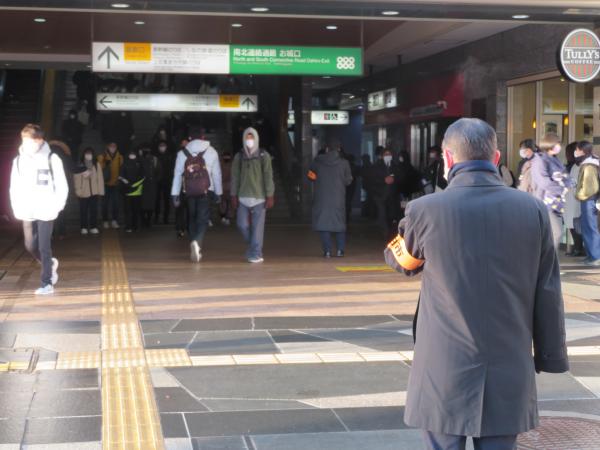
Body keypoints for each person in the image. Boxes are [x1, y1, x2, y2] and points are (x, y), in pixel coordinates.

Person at [385, 118, 568, 450]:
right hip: (509, 364)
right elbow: (548, 290)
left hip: (444, 368)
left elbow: (402, 262)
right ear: (496, 158)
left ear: (448, 159)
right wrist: (551, 355)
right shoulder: (533, 210)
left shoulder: (424, 210)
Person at [10, 124, 68, 295]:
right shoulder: (18, 160)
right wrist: (16, 206)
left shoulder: (52, 158)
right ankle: (49, 264)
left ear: (39, 140)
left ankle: (46, 283)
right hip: (27, 208)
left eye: (30, 141)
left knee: (44, 245)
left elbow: (62, 185)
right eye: (24, 140)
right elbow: (14, 186)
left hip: (46, 207)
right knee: (30, 245)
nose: (26, 144)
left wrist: (58, 206)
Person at [171, 126, 222, 262]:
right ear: (203, 137)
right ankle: (197, 243)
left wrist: (174, 194)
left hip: (188, 190)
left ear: (189, 138)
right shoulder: (211, 151)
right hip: (206, 190)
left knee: (192, 217)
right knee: (203, 219)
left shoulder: (182, 153)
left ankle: (194, 241)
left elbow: (177, 175)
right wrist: (219, 192)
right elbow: (216, 174)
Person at [230, 128, 275, 263]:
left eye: (252, 137)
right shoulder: (239, 156)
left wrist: (270, 195)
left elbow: (268, 176)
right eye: (247, 137)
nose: (249, 140)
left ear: (256, 138)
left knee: (257, 228)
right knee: (242, 224)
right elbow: (235, 177)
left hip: (259, 197)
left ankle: (256, 253)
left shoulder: (264, 156)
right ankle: (253, 246)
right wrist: (233, 195)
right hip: (243, 197)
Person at [308, 143, 353, 257]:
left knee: (324, 224)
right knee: (339, 224)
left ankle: (327, 251)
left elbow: (310, 176)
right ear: (338, 149)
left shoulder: (317, 162)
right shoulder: (344, 163)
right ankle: (340, 250)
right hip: (338, 198)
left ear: (326, 149)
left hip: (322, 198)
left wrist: (318, 179)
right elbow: (348, 181)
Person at [531, 133, 570, 250]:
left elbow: (565, 177)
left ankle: (548, 263)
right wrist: (562, 188)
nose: (559, 146)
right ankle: (549, 263)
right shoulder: (540, 161)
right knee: (556, 233)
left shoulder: (554, 160)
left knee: (552, 234)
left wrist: (568, 184)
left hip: (556, 203)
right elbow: (544, 182)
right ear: (550, 144)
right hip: (545, 202)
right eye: (557, 143)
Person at [575, 141, 600, 266]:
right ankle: (591, 255)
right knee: (587, 228)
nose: (576, 152)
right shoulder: (588, 163)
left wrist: (579, 194)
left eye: (577, 149)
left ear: (583, 151)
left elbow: (590, 188)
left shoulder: (589, 165)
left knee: (590, 228)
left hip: (589, 200)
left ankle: (596, 256)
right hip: (589, 200)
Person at [371, 148, 401, 240]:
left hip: (392, 196)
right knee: (382, 215)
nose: (388, 156)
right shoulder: (377, 166)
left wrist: (394, 179)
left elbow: (400, 178)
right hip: (380, 195)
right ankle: (385, 233)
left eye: (389, 154)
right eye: (386, 154)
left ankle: (391, 234)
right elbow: (373, 179)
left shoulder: (395, 166)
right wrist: (383, 180)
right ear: (382, 156)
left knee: (391, 216)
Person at [73, 147, 104, 235]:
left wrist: (100, 191)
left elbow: (100, 179)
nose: (88, 155)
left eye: (90, 153)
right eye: (87, 153)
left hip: (94, 192)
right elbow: (76, 179)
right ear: (83, 155)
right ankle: (84, 227)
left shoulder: (96, 165)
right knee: (83, 211)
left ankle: (93, 226)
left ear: (93, 155)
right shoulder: (80, 165)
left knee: (94, 210)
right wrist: (78, 191)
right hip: (83, 192)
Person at [47, 140, 73, 239]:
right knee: (58, 212)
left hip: (55, 189)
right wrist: (57, 143)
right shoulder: (58, 158)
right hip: (53, 189)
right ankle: (59, 233)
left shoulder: (51, 158)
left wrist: (55, 142)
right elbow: (68, 152)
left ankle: (55, 233)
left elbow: (67, 152)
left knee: (56, 213)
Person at [564, 142, 584, 257]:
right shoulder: (574, 166)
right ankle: (578, 248)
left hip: (575, 198)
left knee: (575, 223)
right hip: (572, 198)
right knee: (573, 223)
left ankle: (578, 248)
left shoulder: (576, 166)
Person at [98, 142, 123, 229]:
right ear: (107, 147)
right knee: (105, 203)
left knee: (115, 203)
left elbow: (122, 168)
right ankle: (105, 220)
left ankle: (114, 220)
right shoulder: (102, 156)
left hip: (116, 183)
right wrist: (105, 163)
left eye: (114, 146)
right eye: (111, 146)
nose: (112, 148)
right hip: (105, 183)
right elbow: (99, 168)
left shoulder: (120, 157)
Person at [120, 149, 144, 233]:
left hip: (137, 191)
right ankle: (128, 226)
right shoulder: (124, 164)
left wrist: (134, 185)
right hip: (127, 191)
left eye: (134, 154)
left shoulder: (139, 164)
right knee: (127, 210)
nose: (132, 156)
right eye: (131, 154)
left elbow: (143, 176)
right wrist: (127, 184)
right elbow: (121, 176)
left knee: (136, 210)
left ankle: (135, 226)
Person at [139, 144, 161, 228]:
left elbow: (159, 172)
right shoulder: (139, 159)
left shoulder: (154, 160)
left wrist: (155, 180)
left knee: (149, 203)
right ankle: (145, 220)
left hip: (150, 185)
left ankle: (147, 220)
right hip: (143, 185)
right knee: (143, 203)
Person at [155, 140, 174, 225]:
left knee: (166, 201)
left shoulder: (169, 156)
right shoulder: (155, 156)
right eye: (161, 146)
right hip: (158, 182)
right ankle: (156, 217)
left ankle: (165, 218)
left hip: (167, 181)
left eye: (163, 146)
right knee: (157, 200)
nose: (162, 147)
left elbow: (171, 169)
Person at [174, 138, 189, 238]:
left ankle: (187, 227)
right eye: (182, 143)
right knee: (180, 209)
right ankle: (180, 228)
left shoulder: (194, 154)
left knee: (189, 209)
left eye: (186, 143)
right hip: (180, 186)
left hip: (190, 186)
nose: (184, 145)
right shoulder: (179, 154)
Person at [220, 152, 234, 226]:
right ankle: (227, 217)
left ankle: (223, 217)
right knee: (229, 203)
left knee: (223, 203)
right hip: (230, 186)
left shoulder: (220, 165)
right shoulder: (232, 165)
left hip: (223, 186)